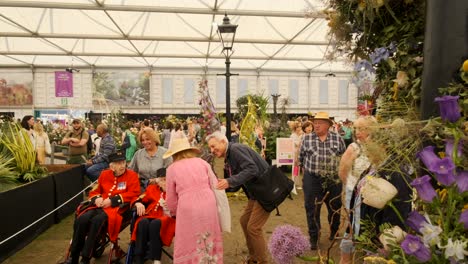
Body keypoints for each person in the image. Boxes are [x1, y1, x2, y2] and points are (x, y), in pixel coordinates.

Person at [207, 131, 270, 264]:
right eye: (210, 148)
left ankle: (262, 261)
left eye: (213, 146)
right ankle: (254, 258)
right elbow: (240, 179)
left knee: (253, 228)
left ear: (223, 142)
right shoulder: (230, 155)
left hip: (265, 191)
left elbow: (252, 169)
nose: (212, 150)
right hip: (256, 193)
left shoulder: (235, 150)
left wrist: (230, 181)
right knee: (244, 221)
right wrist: (225, 183)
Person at [67, 151, 140, 264]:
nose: (122, 166)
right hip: (99, 206)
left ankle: (86, 258)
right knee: (82, 219)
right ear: (111, 166)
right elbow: (95, 191)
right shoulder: (104, 174)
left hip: (117, 209)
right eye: (118, 163)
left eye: (123, 162)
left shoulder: (132, 175)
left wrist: (113, 200)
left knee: (97, 221)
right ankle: (73, 256)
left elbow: (134, 193)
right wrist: (97, 198)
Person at [164, 137, 223, 263]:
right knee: (209, 235)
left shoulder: (172, 169)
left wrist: (174, 213)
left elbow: (170, 199)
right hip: (208, 201)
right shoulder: (202, 162)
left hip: (187, 205)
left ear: (174, 154)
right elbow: (214, 184)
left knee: (188, 239)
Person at [298, 111, 346, 250]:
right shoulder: (306, 139)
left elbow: (343, 158)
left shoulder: (337, 139)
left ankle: (334, 230)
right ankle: (314, 236)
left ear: (328, 125)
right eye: (315, 123)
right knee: (312, 209)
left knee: (335, 207)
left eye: (320, 123)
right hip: (312, 179)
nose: (316, 125)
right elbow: (301, 158)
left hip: (333, 179)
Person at [338, 116, 376, 264]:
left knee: (370, 225)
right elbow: (342, 172)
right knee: (353, 226)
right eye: (356, 129)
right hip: (354, 194)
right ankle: (345, 259)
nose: (358, 132)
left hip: (373, 195)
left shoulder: (379, 147)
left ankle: (369, 256)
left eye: (362, 128)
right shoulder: (353, 148)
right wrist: (353, 187)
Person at [131, 168, 176, 264]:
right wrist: (138, 203)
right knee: (142, 222)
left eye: (167, 179)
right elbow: (139, 198)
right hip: (151, 215)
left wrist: (171, 206)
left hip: (168, 219)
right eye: (163, 180)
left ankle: (156, 259)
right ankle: (139, 256)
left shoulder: (176, 191)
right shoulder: (151, 189)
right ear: (158, 182)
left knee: (155, 224)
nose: (165, 182)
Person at [129, 128, 172, 192]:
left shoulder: (165, 153)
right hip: (142, 191)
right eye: (142, 140)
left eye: (147, 139)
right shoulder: (138, 154)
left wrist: (157, 180)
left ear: (154, 139)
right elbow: (131, 172)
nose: (145, 142)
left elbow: (171, 173)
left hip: (161, 190)